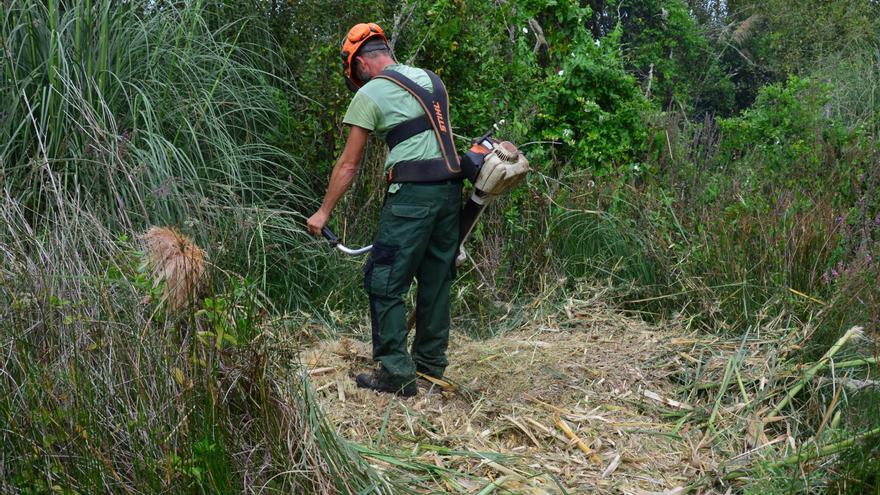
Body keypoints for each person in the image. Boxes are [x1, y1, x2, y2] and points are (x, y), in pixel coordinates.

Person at [306, 23, 463, 397]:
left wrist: (323, 212)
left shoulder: (372, 92)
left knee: (384, 278)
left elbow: (349, 165)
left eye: (354, 74)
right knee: (436, 278)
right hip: (450, 192)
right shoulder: (431, 80)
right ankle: (429, 368)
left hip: (412, 195)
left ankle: (396, 374)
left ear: (359, 63)